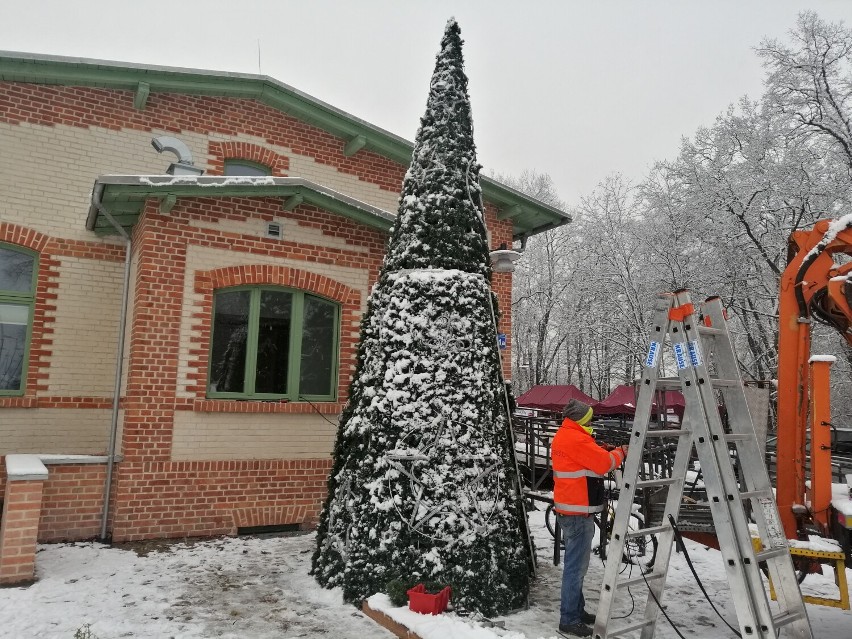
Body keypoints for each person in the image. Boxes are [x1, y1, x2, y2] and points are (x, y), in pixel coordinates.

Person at [551, 398, 627, 637]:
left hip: (572, 509)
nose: (592, 420)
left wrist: (600, 449)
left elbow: (588, 459)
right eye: (590, 417)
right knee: (575, 568)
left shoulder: (569, 434)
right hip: (577, 511)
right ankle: (569, 619)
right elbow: (604, 463)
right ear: (581, 419)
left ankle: (576, 610)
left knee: (576, 567)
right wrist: (622, 452)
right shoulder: (575, 438)